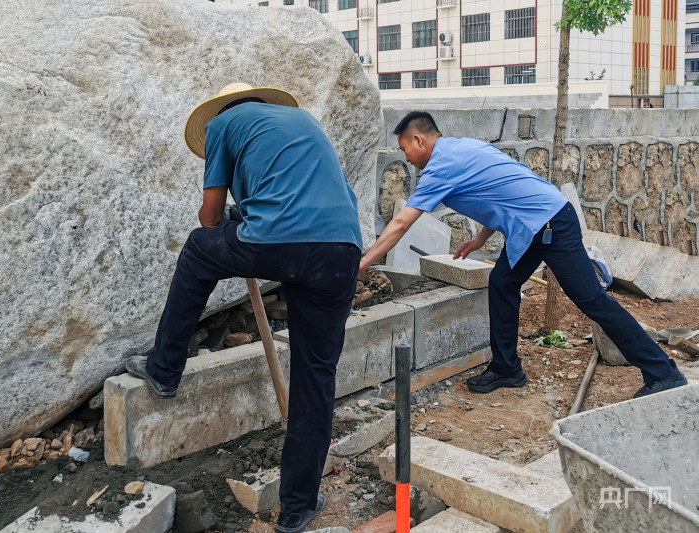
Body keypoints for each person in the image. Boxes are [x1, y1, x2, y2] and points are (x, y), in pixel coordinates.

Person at [126, 83, 362, 533]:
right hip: (340, 251)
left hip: (277, 242)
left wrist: (228, 221)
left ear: (225, 110)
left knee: (198, 250)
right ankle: (297, 508)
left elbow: (211, 217)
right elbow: (301, 202)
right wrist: (247, 216)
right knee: (316, 377)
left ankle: (164, 368)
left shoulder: (221, 125)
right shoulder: (304, 123)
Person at [359, 111, 687, 398]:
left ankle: (663, 371)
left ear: (418, 139)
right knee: (503, 282)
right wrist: (478, 241)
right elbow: (501, 192)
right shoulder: (465, 148)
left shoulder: (440, 166)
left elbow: (402, 222)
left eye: (405, 150)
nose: (407, 159)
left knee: (591, 300)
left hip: (549, 224)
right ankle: (506, 369)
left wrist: (363, 262)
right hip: (533, 225)